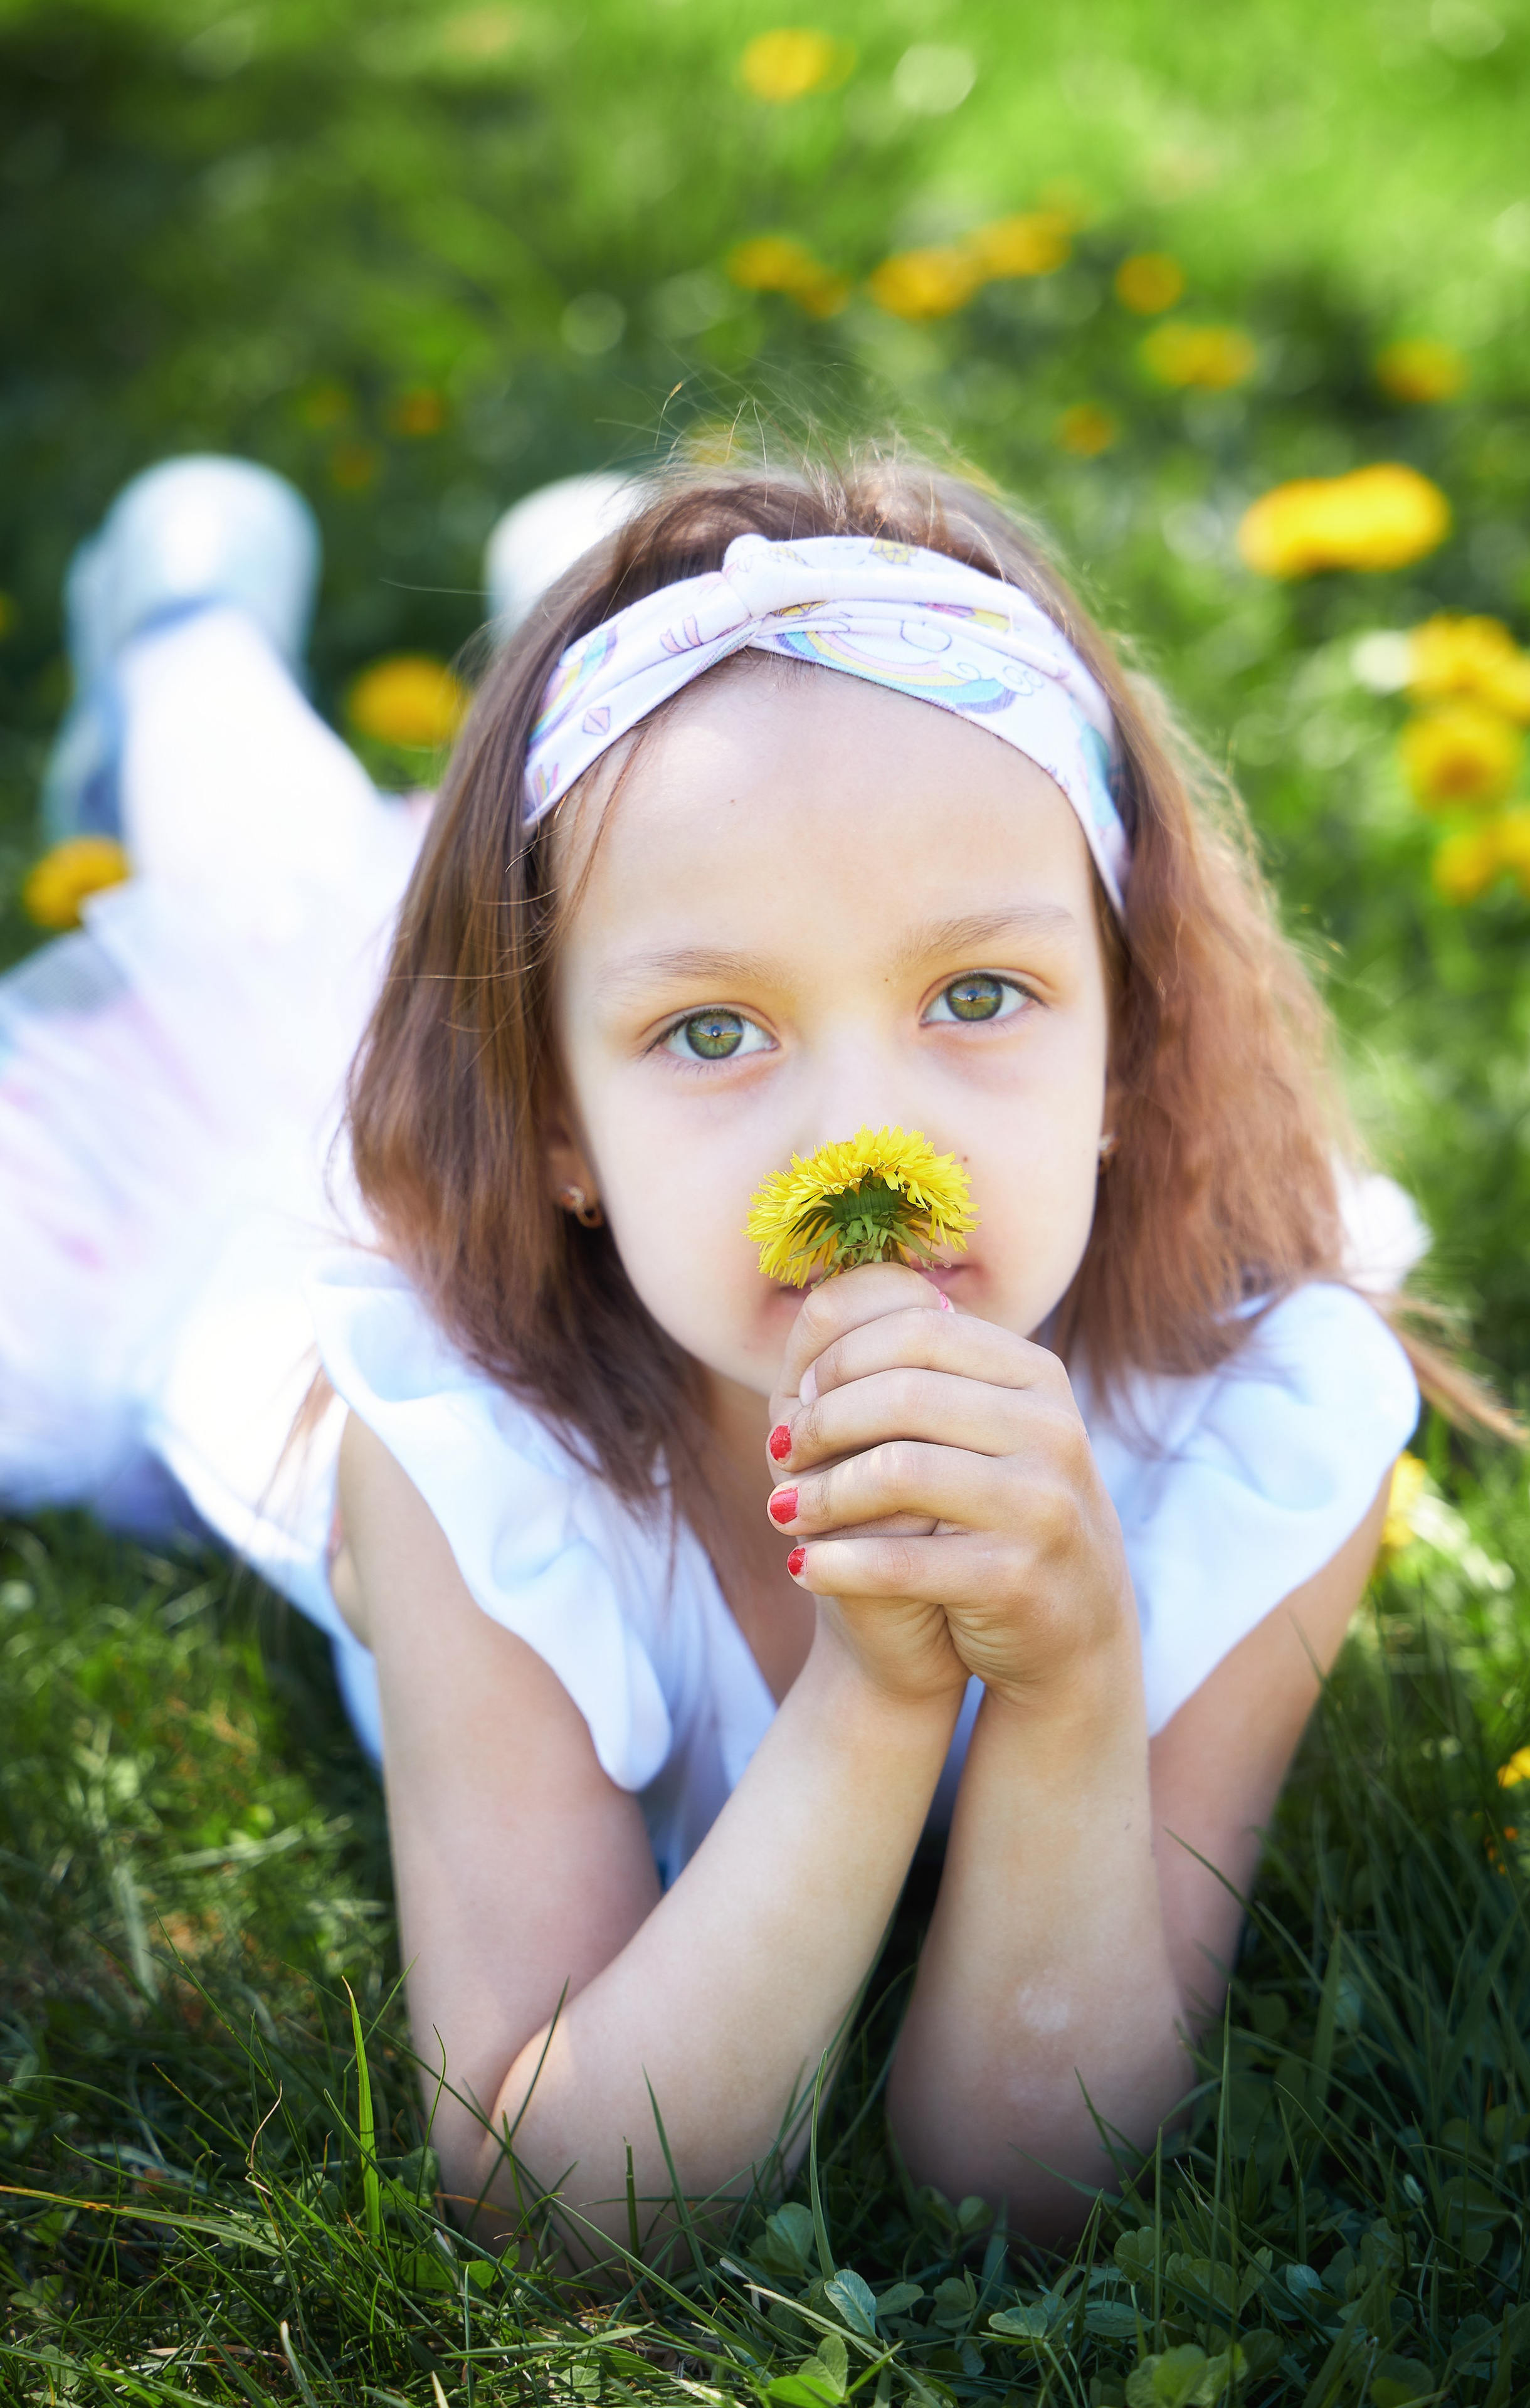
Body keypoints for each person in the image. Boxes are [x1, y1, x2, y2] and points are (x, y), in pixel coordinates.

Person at [3, 445, 1447, 2257]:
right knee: (266, 880)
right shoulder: (467, 1442)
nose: (858, 1136)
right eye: (712, 1034)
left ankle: (595, 580)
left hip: (652, 950)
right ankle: (184, 631)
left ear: (1128, 1054)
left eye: (978, 998)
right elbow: (561, 2194)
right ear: (555, 1128)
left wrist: (1076, 1682)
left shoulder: (1252, 1434)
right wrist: (876, 1693)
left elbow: (1027, 2177)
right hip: (278, 1189)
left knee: (651, 851)